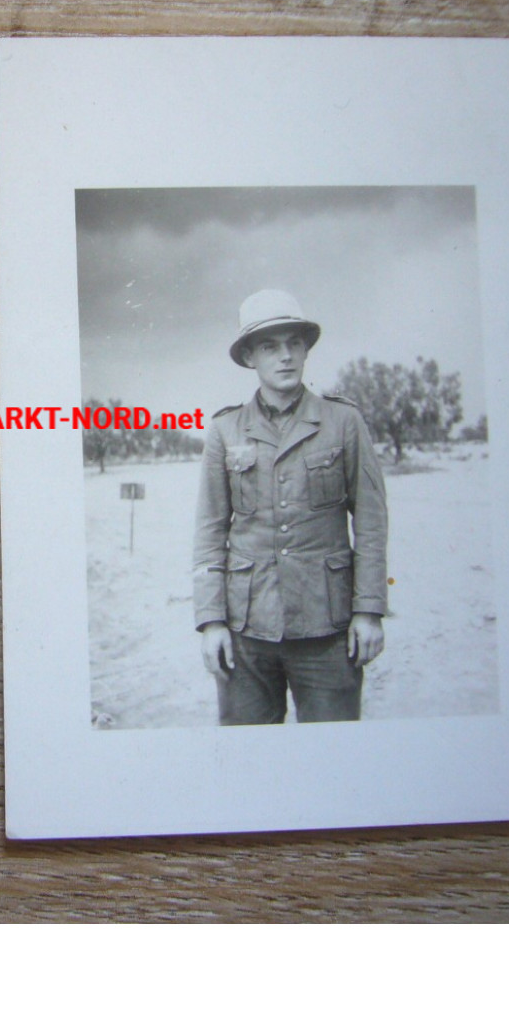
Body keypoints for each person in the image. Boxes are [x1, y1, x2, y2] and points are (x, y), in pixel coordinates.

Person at [192, 289, 388, 725]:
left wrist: (369, 611)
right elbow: (209, 531)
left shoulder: (343, 422)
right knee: (247, 758)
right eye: (269, 346)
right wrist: (211, 622)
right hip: (246, 631)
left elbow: (371, 523)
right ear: (249, 357)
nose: (285, 356)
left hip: (327, 628)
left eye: (293, 344)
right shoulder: (225, 430)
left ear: (305, 350)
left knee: (333, 757)